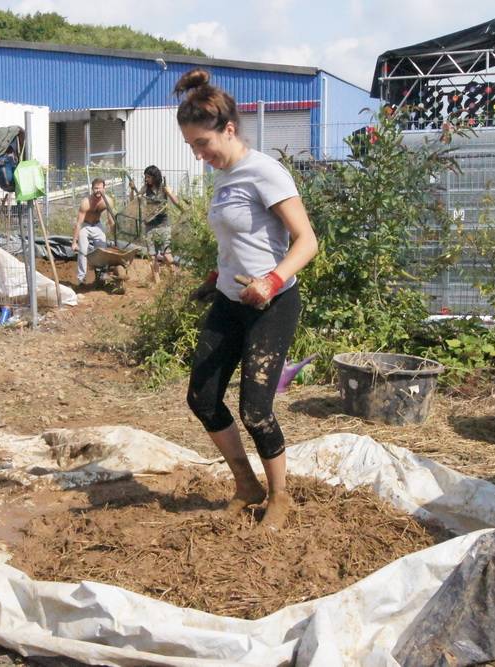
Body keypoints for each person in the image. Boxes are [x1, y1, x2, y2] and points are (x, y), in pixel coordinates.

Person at [175, 69, 318, 530]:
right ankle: (246, 484)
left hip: (270, 306)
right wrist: (216, 275)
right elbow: (240, 240)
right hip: (228, 301)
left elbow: (306, 241)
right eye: (192, 146)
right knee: (202, 397)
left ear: (228, 129)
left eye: (202, 143)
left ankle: (279, 497)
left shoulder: (264, 172)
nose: (199, 154)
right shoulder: (223, 177)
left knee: (256, 410)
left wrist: (273, 281)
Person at [130, 165, 182, 283]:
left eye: (148, 177)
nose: (146, 179)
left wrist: (169, 193)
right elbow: (133, 201)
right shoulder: (145, 188)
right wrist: (132, 190)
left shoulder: (163, 187)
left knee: (167, 255)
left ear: (155, 177)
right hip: (149, 225)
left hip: (163, 225)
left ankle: (175, 277)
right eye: (145, 177)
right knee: (152, 256)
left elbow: (176, 201)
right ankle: (157, 283)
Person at [71, 178, 116, 285]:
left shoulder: (108, 201)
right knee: (82, 251)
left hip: (97, 225)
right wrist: (74, 242)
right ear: (92, 189)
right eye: (96, 188)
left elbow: (110, 220)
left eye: (100, 188)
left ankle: (100, 275)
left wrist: (115, 236)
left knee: (102, 249)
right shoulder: (86, 202)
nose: (98, 191)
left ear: (104, 189)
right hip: (85, 226)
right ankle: (81, 278)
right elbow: (78, 223)